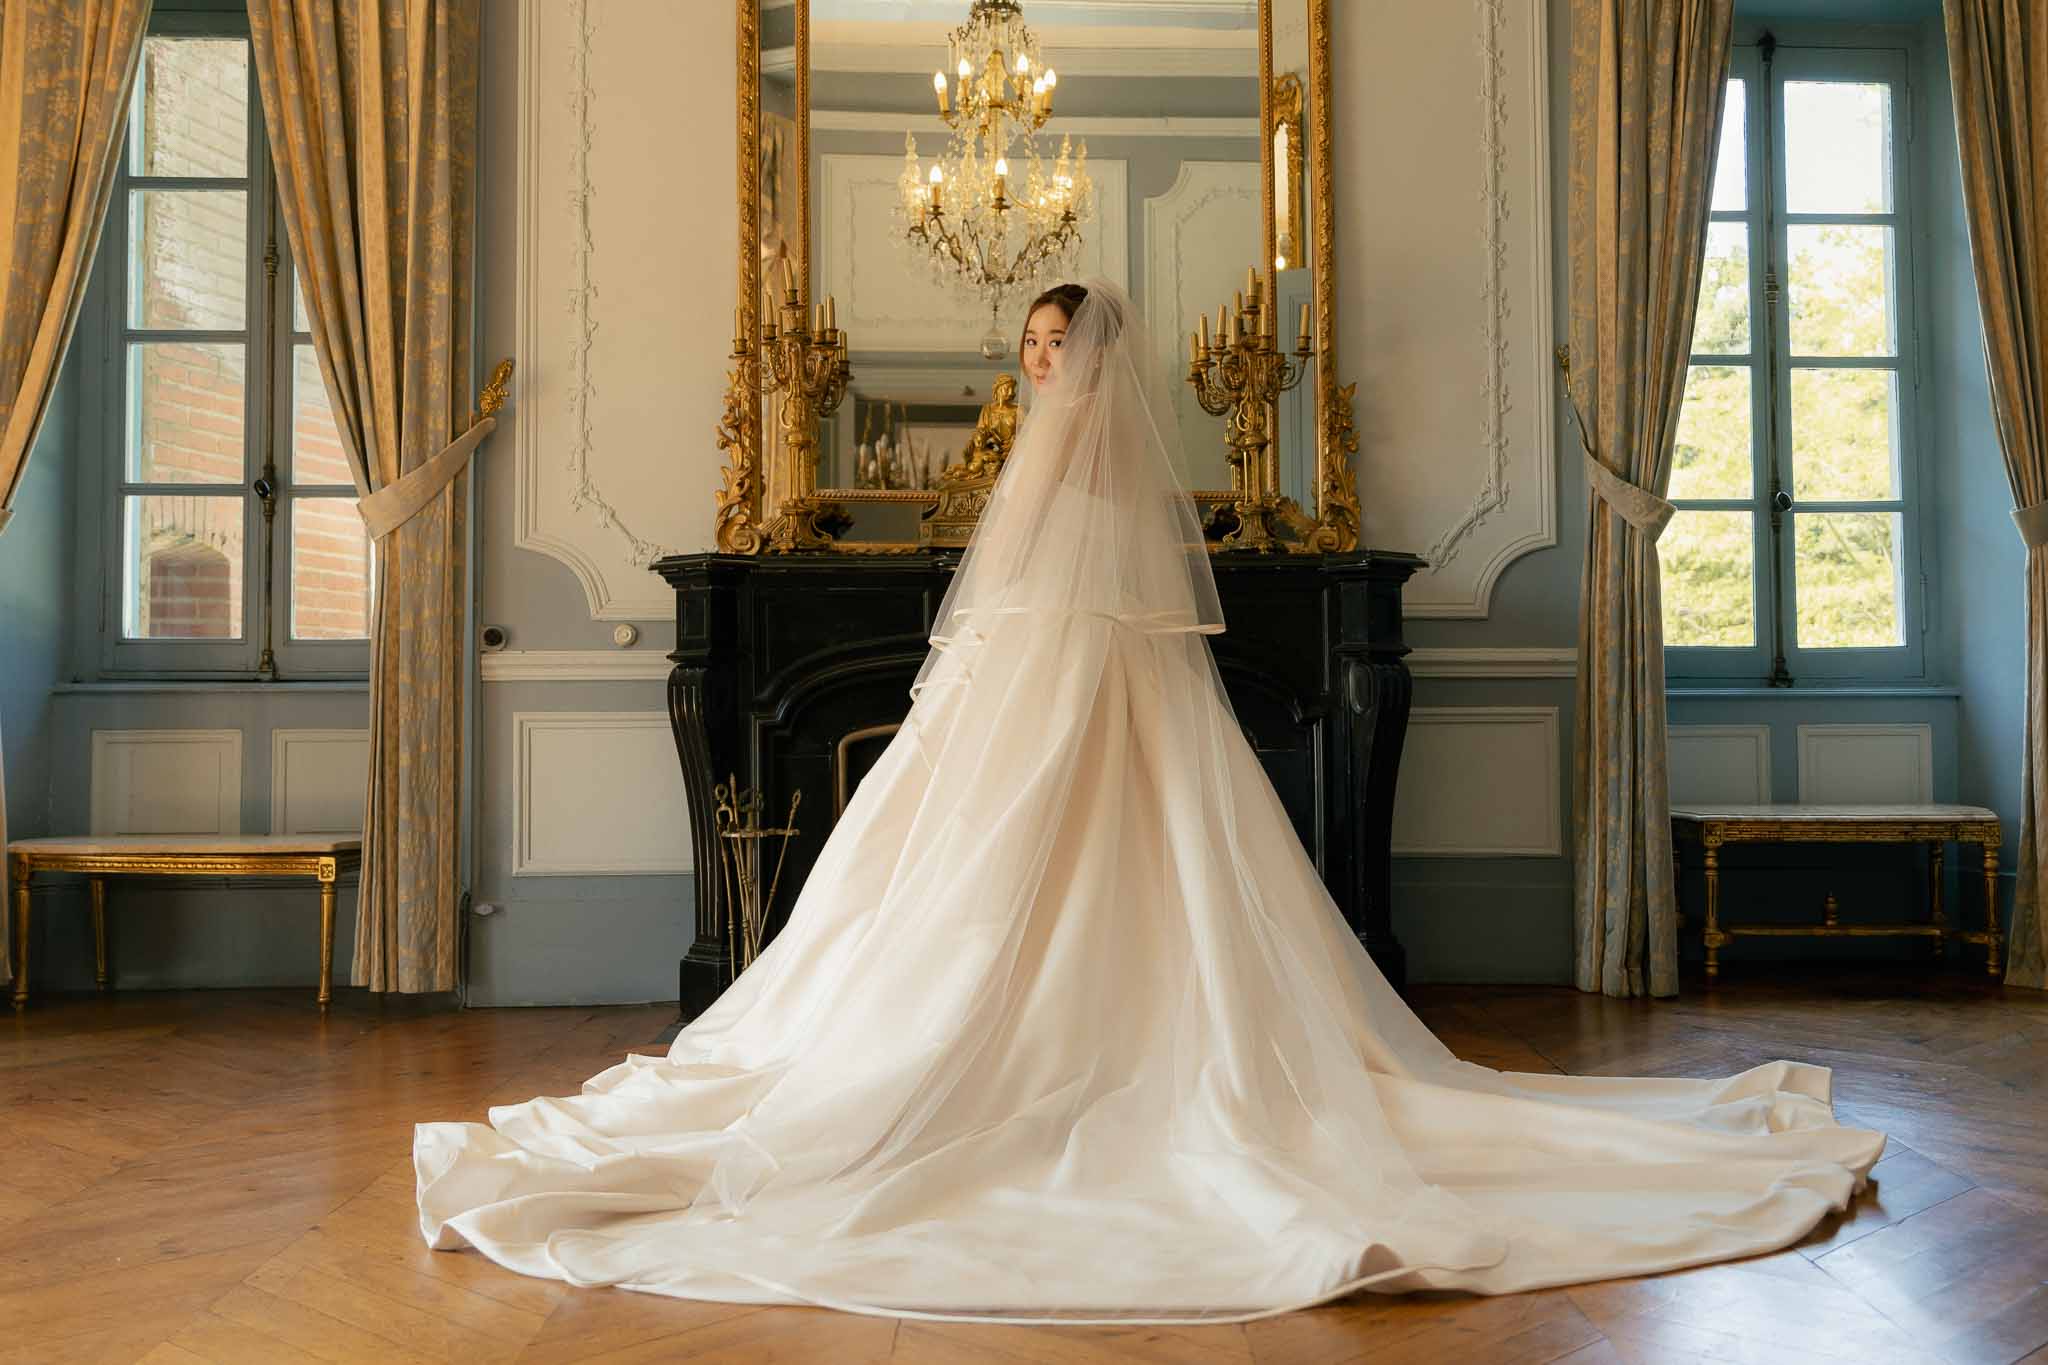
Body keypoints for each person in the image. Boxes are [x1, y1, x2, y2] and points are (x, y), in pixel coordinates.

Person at [415, 279, 1883, 1326]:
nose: (1039, 365)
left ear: (1094, 359)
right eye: (1029, 346)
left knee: (1066, 895)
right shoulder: (1078, 474)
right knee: (962, 899)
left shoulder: (1079, 477)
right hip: (1039, 701)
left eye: (1056, 345)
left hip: (1076, 706)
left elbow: (1026, 607)